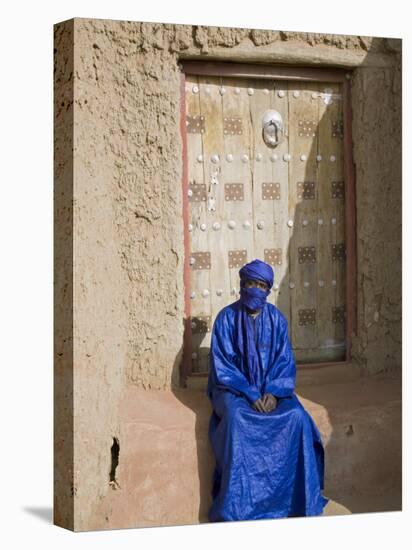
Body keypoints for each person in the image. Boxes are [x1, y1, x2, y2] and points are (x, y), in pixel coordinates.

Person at [206, 258, 329, 521]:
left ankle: (294, 501)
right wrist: (250, 393)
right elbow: (223, 368)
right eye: (250, 284)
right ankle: (236, 506)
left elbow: (284, 362)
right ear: (242, 285)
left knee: (296, 418)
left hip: (273, 390)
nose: (255, 290)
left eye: (261, 285)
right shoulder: (226, 319)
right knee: (237, 420)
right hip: (234, 391)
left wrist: (273, 392)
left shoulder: (277, 320)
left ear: (267, 289)